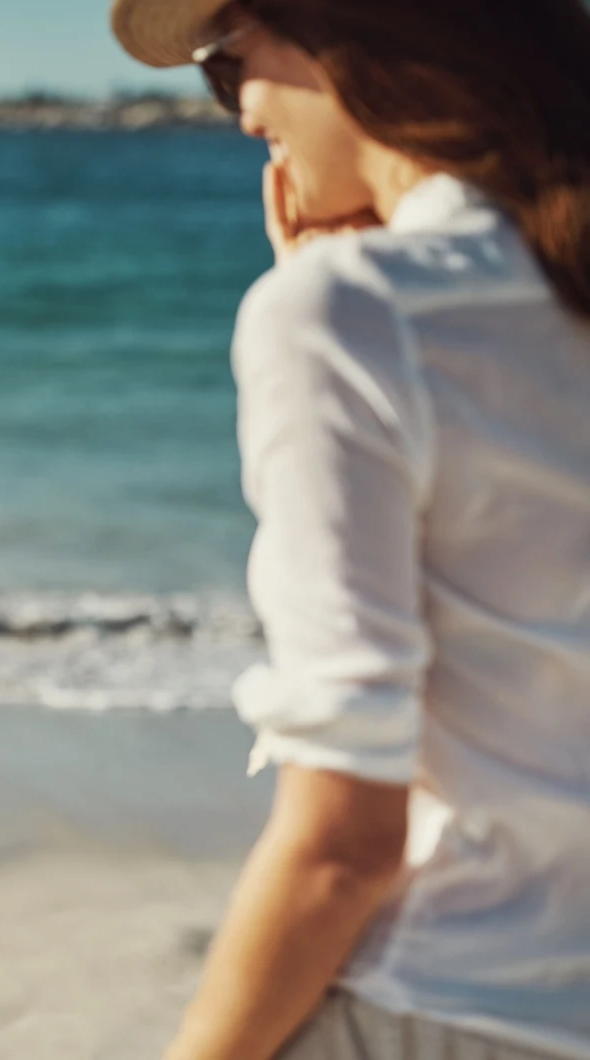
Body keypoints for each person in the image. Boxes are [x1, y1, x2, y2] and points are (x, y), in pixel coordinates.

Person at [109, 1, 590, 1058]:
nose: (237, 111)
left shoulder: (353, 315)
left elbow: (342, 846)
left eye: (232, 59)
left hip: (450, 996)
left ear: (354, 35)